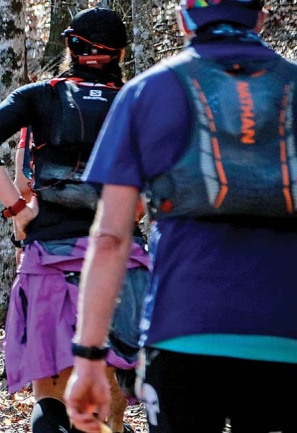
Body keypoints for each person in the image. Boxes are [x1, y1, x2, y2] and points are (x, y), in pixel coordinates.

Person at [65, 1, 297, 432]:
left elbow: (112, 237)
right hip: (286, 336)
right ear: (262, 17)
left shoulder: (147, 92)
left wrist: (89, 357)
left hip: (181, 331)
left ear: (181, 20)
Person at [0, 8, 151, 433]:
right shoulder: (140, 99)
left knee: (50, 400)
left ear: (70, 46)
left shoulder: (40, 96)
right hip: (122, 263)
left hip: (49, 257)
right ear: (120, 52)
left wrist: (19, 210)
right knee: (107, 408)